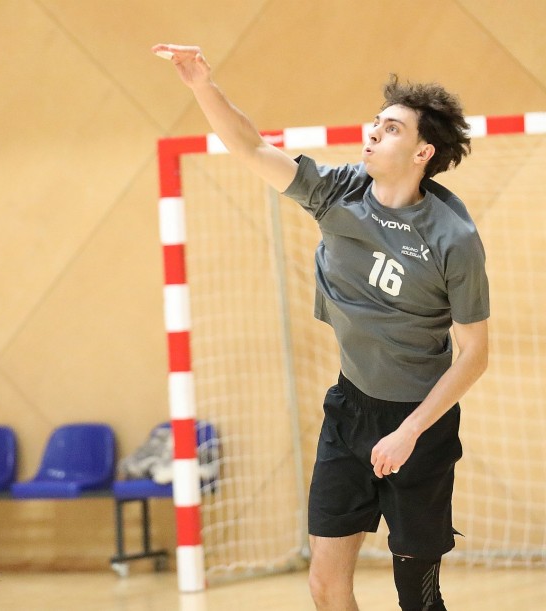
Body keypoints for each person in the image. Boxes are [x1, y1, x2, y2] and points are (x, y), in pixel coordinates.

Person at [153, 44, 489, 611]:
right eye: (376, 122)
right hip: (350, 409)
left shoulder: (453, 237)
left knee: (417, 599)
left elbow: (475, 353)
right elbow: (251, 146)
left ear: (422, 152)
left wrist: (409, 432)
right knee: (325, 586)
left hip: (420, 422)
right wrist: (201, 86)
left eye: (391, 128)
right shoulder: (339, 191)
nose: (373, 132)